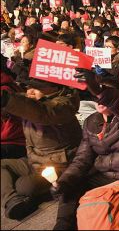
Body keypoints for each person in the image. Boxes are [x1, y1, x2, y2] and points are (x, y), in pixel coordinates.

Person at [51, 88, 119, 230]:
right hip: (104, 176)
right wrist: (64, 181)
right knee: (68, 190)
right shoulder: (91, 122)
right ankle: (63, 226)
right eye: (95, 97)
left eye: (104, 96)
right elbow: (82, 159)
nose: (99, 100)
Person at [1, 79, 82, 220]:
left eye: (36, 88)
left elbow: (42, 113)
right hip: (34, 160)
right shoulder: (30, 102)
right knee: (4, 165)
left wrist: (6, 99)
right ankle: (12, 200)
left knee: (23, 185)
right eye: (28, 88)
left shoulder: (64, 104)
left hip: (59, 165)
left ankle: (53, 191)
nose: (30, 92)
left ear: (52, 87)